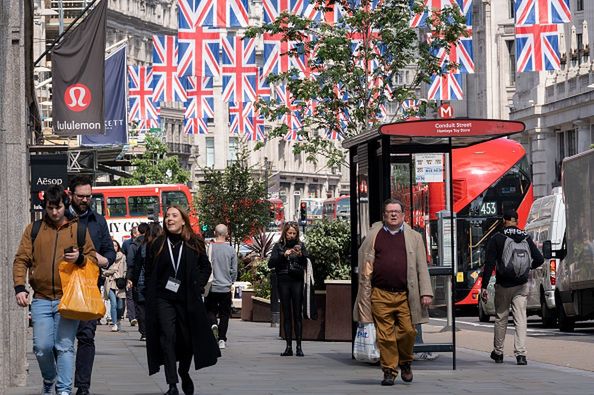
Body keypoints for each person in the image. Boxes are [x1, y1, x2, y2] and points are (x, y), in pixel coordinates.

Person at [13, 185, 98, 395]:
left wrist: (80, 259)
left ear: (65, 205)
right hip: (41, 298)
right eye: (50, 208)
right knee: (42, 348)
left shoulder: (77, 230)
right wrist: (20, 287)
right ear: (44, 207)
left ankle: (64, 390)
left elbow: (93, 259)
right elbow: (21, 259)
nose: (54, 212)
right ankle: (49, 378)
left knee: (65, 346)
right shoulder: (33, 230)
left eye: (58, 207)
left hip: (67, 298)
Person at [353, 198, 433, 386]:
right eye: (390, 212)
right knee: (385, 336)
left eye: (397, 211)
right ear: (384, 215)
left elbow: (422, 266)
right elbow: (364, 266)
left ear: (403, 215)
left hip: (406, 295)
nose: (394, 214)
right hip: (380, 294)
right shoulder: (374, 236)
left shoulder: (414, 237)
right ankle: (389, 370)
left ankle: (405, 362)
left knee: (408, 332)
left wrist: (426, 292)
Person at [141, 205, 220, 395]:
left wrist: (198, 286)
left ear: (183, 220)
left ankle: (183, 372)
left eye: (174, 216)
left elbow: (205, 267)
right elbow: (149, 269)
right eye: (167, 216)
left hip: (187, 299)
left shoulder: (194, 242)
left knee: (187, 339)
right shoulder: (158, 243)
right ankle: (172, 384)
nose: (170, 219)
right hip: (163, 299)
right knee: (167, 337)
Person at [68, 175, 116, 395]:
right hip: (62, 287)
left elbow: (110, 253)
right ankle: (61, 383)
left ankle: (82, 387)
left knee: (86, 337)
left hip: (89, 288)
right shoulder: (60, 219)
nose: (85, 200)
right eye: (81, 196)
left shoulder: (98, 221)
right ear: (71, 195)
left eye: (89, 196)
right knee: (60, 341)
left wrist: (98, 258)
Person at [481, 209, 544, 366]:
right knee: (520, 319)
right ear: (516, 220)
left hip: (503, 284)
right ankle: (521, 355)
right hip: (521, 285)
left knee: (501, 318)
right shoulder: (525, 237)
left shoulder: (497, 238)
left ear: (504, 220)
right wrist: (527, 267)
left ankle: (498, 352)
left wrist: (484, 286)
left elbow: (489, 264)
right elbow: (540, 259)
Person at [268, 222, 308, 357]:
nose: (291, 236)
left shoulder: (300, 246)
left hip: (296, 280)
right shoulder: (278, 246)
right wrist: (283, 255)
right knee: (287, 314)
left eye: (294, 233)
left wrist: (301, 255)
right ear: (285, 233)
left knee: (297, 313)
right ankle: (288, 346)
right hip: (283, 280)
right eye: (289, 233)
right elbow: (271, 264)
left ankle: (299, 346)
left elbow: (307, 262)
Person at [205, 224, 238, 350]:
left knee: (210, 310)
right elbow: (234, 270)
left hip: (212, 286)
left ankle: (213, 324)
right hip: (225, 287)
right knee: (224, 314)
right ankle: (222, 339)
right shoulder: (230, 250)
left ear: (214, 232)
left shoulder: (209, 248)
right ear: (227, 234)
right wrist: (231, 281)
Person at [130, 222, 163, 341]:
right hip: (157, 283)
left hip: (142, 281)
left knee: (142, 308)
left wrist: (132, 278)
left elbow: (135, 264)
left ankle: (145, 331)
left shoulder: (143, 247)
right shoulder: (163, 245)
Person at [126, 223, 149, 327]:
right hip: (149, 277)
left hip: (138, 278)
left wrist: (129, 278)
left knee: (139, 304)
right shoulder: (152, 243)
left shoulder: (133, 245)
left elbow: (130, 262)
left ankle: (143, 330)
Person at [102, 239, 127, 332]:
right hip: (110, 282)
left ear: (118, 247)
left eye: (116, 245)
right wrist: (110, 272)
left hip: (120, 283)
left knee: (120, 306)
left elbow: (125, 269)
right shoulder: (107, 257)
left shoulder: (123, 257)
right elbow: (103, 270)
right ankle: (115, 323)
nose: (114, 247)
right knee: (113, 304)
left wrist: (125, 279)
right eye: (112, 245)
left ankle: (119, 320)